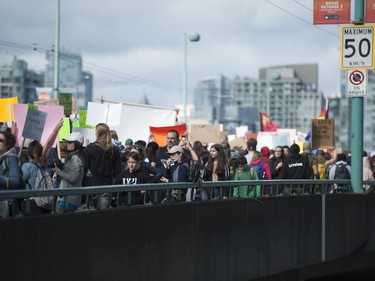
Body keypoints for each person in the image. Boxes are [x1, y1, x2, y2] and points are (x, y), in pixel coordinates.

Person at [85, 123, 122, 209]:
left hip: (92, 185)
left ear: (97, 133)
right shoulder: (114, 150)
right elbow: (117, 171)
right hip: (107, 186)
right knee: (103, 217)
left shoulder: (90, 148)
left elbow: (85, 167)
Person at [54, 132, 85, 213]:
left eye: (71, 142)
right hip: (65, 198)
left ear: (78, 144)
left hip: (69, 199)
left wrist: (58, 171)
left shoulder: (76, 159)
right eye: (67, 141)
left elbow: (73, 178)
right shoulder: (71, 156)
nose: (68, 144)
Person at [0, 130, 20, 217]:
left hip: (4, 203)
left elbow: (15, 181)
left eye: (0, 140)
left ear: (8, 144)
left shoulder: (11, 158)